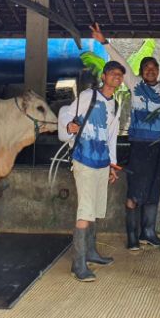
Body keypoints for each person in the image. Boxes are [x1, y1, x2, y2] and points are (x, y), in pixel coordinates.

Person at [91, 21, 160, 251]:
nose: (150, 71)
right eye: (146, 68)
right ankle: (132, 236)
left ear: (158, 71)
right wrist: (104, 42)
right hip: (140, 146)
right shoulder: (134, 84)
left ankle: (148, 233)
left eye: (154, 68)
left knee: (153, 188)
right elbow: (121, 62)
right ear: (140, 71)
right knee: (135, 190)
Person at [58, 60, 125, 282]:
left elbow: (111, 137)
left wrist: (112, 165)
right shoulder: (89, 96)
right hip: (84, 159)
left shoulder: (115, 105)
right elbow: (67, 115)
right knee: (85, 210)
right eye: (113, 73)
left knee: (95, 208)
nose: (117, 77)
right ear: (104, 77)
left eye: (120, 74)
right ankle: (78, 264)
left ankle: (91, 252)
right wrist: (69, 126)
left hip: (101, 161)